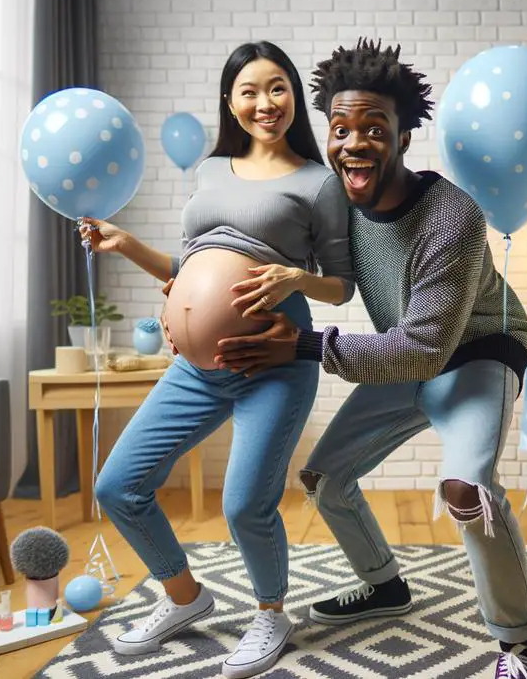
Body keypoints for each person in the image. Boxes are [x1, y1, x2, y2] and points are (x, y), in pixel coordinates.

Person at [214, 39, 527, 679]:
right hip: (406, 352)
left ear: (401, 135)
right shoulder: (339, 202)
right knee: (325, 478)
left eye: (374, 128)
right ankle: (384, 585)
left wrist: (307, 345)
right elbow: (280, 249)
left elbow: (427, 346)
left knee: (467, 490)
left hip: (477, 351)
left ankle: (518, 645)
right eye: (341, 129)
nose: (354, 143)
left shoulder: (452, 216)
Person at [79, 41, 353, 678]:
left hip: (274, 364)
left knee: (242, 505)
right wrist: (130, 248)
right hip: (193, 371)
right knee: (118, 486)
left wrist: (293, 278)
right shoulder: (209, 172)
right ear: (230, 101)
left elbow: (341, 284)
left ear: (294, 96)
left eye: (278, 87)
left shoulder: (319, 183)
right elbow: (190, 269)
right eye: (250, 90)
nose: (266, 102)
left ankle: (271, 613)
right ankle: (184, 596)